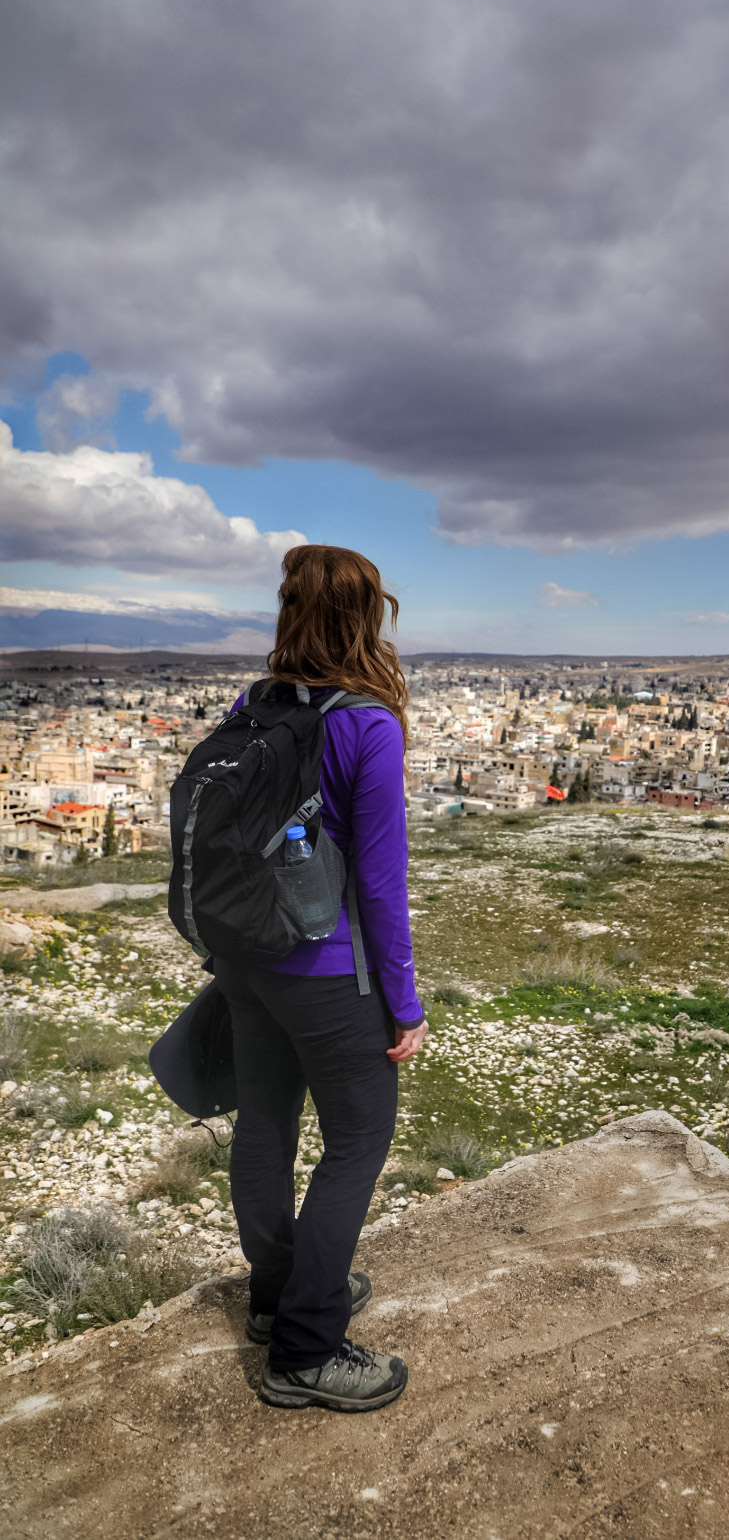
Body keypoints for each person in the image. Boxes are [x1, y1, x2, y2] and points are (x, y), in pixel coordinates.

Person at [214, 543, 428, 1412]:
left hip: (247, 958)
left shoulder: (252, 704)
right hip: (327, 970)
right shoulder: (367, 725)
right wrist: (404, 1005)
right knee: (357, 1142)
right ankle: (306, 1349)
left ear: (290, 610)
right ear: (366, 618)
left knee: (265, 1125)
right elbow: (379, 884)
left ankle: (279, 1297)